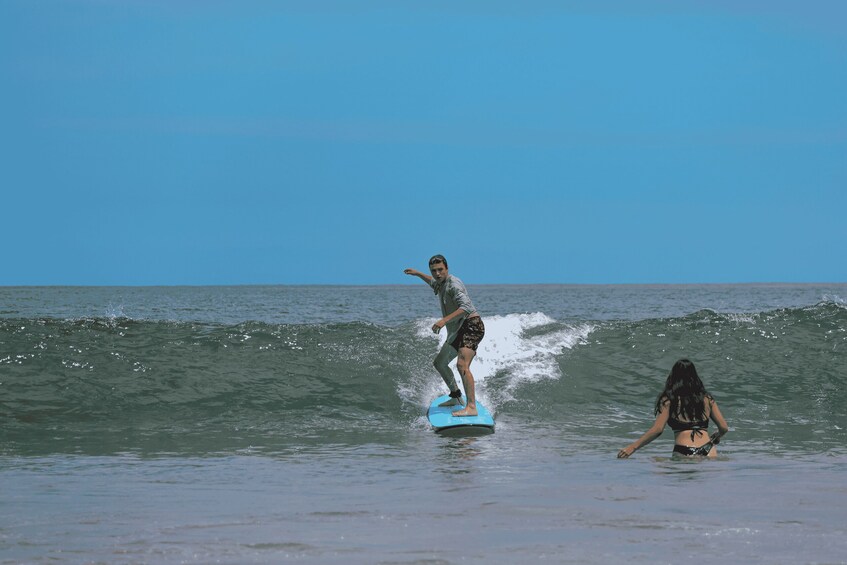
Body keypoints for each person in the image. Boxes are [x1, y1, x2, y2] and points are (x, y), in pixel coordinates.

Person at [404, 255, 485, 417]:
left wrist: (443, 321)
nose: (437, 274)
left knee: (462, 365)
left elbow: (466, 307)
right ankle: (456, 397)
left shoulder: (453, 285)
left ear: (447, 269)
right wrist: (418, 274)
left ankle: (471, 407)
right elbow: (433, 282)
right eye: (434, 271)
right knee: (440, 363)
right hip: (458, 330)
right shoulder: (440, 283)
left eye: (440, 270)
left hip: (471, 326)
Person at [617, 359, 729, 459]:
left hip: (684, 450)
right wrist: (717, 436)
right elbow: (723, 427)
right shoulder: (707, 398)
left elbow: (657, 430)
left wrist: (632, 447)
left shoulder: (669, 400)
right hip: (709, 449)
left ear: (673, 376)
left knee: (656, 464)